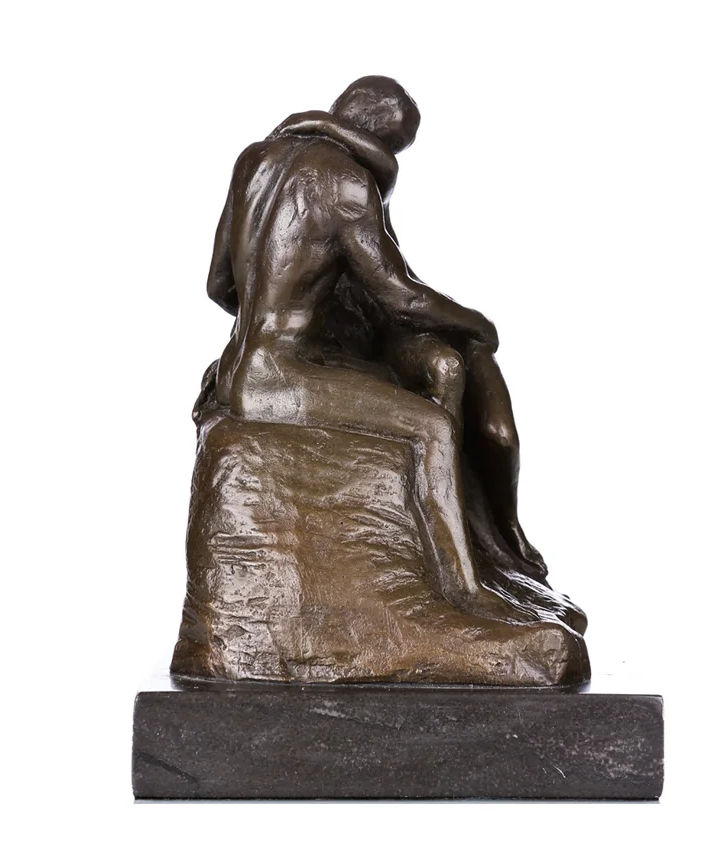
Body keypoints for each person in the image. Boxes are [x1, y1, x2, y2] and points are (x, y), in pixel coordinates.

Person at [202, 76, 538, 625]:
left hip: (240, 368)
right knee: (433, 427)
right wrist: (478, 324)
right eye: (398, 144)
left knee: (411, 381)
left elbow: (220, 286)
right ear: (380, 136)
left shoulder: (254, 161)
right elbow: (400, 296)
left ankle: (473, 547)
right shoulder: (348, 183)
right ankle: (465, 592)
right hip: (279, 376)